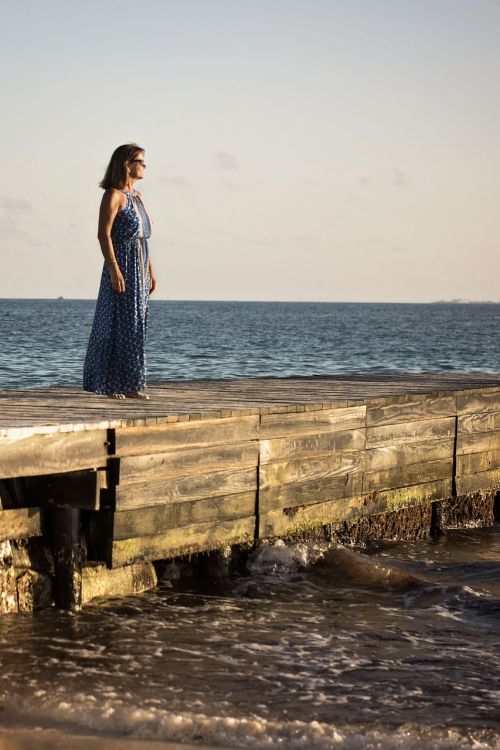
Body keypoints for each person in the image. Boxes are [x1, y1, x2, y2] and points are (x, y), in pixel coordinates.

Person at [83, 143, 156, 399]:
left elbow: (142, 238)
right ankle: (110, 384)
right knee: (115, 323)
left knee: (135, 325)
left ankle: (131, 384)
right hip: (121, 266)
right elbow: (104, 235)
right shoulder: (113, 195)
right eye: (141, 161)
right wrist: (114, 269)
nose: (145, 166)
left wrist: (150, 271)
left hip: (139, 267)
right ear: (127, 164)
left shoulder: (137, 196)